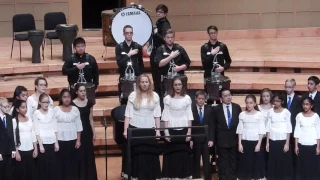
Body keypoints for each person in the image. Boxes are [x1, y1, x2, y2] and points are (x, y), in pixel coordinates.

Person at [121, 74, 162, 180]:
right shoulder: (133, 95)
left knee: (150, 151)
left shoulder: (155, 96)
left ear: (149, 83)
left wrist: (158, 131)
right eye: (142, 82)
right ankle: (136, 175)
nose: (144, 84)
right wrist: (125, 130)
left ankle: (151, 175)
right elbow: (128, 114)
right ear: (139, 83)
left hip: (150, 127)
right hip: (135, 127)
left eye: (146, 82)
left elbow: (157, 115)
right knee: (137, 152)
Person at [162, 76, 193, 179]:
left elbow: (189, 116)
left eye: (179, 84)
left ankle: (184, 175)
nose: (177, 86)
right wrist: (166, 132)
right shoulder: (167, 98)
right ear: (172, 86)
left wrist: (189, 132)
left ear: (182, 85)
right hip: (171, 128)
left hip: (183, 128)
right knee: (171, 152)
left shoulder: (187, 98)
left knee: (183, 152)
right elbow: (165, 116)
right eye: (175, 84)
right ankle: (171, 175)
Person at [154, 28, 191, 102]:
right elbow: (159, 64)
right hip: (166, 81)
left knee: (180, 100)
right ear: (164, 38)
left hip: (179, 79)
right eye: (168, 37)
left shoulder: (179, 48)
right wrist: (171, 56)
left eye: (171, 37)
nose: (170, 39)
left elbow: (188, 63)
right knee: (167, 100)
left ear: (174, 38)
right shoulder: (160, 49)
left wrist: (180, 68)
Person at [213, 88, 242, 180]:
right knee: (222, 161)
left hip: (234, 138)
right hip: (222, 139)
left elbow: (240, 124)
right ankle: (222, 177)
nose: (228, 97)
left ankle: (233, 177)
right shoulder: (216, 109)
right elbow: (213, 125)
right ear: (221, 98)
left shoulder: (237, 107)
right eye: (225, 96)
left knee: (233, 160)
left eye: (229, 95)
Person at [54, 89, 83, 180]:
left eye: (68, 97)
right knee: (61, 164)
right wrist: (55, 142)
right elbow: (53, 127)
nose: (67, 99)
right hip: (60, 141)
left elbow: (79, 125)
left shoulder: (75, 109)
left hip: (73, 140)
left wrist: (78, 140)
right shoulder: (56, 109)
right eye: (64, 97)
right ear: (61, 98)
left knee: (72, 163)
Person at [236, 94, 266, 180]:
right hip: (245, 141)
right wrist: (240, 144)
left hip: (255, 141)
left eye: (251, 103)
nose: (249, 105)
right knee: (245, 162)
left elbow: (261, 130)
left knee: (255, 162)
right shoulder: (242, 114)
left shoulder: (259, 115)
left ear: (255, 104)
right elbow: (240, 130)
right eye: (247, 103)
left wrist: (259, 144)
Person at [72, 83, 97, 180]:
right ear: (76, 92)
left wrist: (94, 133)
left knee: (88, 155)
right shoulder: (72, 103)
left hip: (87, 131)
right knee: (79, 155)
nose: (83, 93)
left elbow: (91, 118)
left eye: (84, 91)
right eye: (81, 91)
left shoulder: (89, 102)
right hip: (77, 132)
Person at [33, 93, 61, 180]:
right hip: (42, 143)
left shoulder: (52, 111)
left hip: (52, 142)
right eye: (44, 102)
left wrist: (56, 142)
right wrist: (40, 145)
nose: (46, 104)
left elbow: (55, 127)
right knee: (43, 167)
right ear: (40, 103)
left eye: (47, 102)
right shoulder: (36, 113)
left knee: (52, 167)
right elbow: (36, 130)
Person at [266, 93, 293, 180]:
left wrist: (287, 144)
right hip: (272, 139)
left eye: (278, 101)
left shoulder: (286, 112)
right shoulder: (270, 111)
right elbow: (268, 127)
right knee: (272, 161)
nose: (276, 103)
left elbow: (288, 129)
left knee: (283, 161)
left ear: (282, 102)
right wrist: (267, 142)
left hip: (283, 140)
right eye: (274, 101)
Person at [115, 25, 144, 105]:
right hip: (124, 77)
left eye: (131, 33)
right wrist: (129, 55)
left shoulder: (137, 46)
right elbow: (119, 64)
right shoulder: (119, 47)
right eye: (127, 33)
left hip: (135, 78)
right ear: (123, 34)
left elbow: (141, 63)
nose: (129, 34)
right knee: (124, 100)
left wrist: (140, 76)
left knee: (137, 101)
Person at [294, 97, 320, 180]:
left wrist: (318, 147)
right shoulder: (299, 116)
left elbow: (318, 132)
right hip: (302, 144)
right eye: (304, 104)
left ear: (311, 105)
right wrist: (296, 146)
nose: (305, 106)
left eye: (307, 104)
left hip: (313, 144)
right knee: (302, 166)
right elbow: (297, 131)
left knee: (312, 166)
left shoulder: (316, 116)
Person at [190, 91, 214, 179]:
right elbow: (190, 126)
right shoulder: (191, 110)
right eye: (199, 98)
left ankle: (207, 177)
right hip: (195, 138)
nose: (201, 100)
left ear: (205, 99)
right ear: (195, 99)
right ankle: (196, 176)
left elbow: (211, 126)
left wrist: (211, 139)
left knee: (206, 159)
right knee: (196, 158)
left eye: (202, 99)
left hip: (206, 139)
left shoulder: (209, 110)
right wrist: (191, 139)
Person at [12, 99, 38, 180]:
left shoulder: (30, 119)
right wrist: (16, 152)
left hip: (30, 149)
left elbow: (33, 133)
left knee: (31, 173)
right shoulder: (14, 121)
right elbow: (13, 137)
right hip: (20, 150)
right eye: (23, 107)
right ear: (17, 109)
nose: (25, 109)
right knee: (21, 173)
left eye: (26, 107)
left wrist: (35, 148)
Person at [150, 4, 171, 97]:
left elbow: (165, 39)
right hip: (155, 50)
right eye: (157, 11)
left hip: (160, 52)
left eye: (161, 12)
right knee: (155, 75)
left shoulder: (165, 24)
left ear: (165, 14)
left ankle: (160, 95)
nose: (158, 13)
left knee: (158, 76)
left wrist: (156, 33)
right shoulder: (159, 22)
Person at [283, 78, 301, 174]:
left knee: (295, 153)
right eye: (286, 87)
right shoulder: (282, 98)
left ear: (294, 87)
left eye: (289, 87)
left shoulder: (299, 100)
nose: (287, 89)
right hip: (283, 130)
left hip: (294, 130)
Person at [0, 97, 16, 180]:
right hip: (0, 151)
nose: (7, 108)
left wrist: (13, 149)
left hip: (9, 151)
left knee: (9, 174)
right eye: (5, 107)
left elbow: (11, 135)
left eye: (8, 106)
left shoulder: (9, 118)